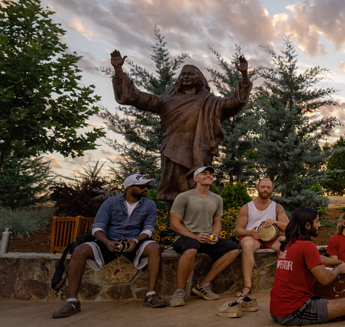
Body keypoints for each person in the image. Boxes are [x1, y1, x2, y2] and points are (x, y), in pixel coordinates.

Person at [110, 50, 252, 201]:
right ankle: (173, 224)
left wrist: (244, 77)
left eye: (190, 74)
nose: (186, 77)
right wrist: (119, 71)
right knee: (174, 192)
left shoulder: (211, 102)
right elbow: (136, 97)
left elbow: (234, 103)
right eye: (183, 74)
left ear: (200, 79)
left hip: (199, 151)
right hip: (173, 151)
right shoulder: (166, 101)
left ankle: (198, 224)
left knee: (198, 191)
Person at [53, 174, 167, 318]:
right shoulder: (110, 202)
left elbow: (149, 229)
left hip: (134, 242)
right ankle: (72, 301)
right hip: (109, 242)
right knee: (80, 250)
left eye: (147, 186)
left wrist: (135, 241)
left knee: (154, 248)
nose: (146, 189)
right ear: (129, 188)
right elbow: (97, 227)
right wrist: (107, 242)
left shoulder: (149, 204)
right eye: (142, 186)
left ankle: (150, 295)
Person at [270, 207, 345, 325]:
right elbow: (325, 279)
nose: (319, 225)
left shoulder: (288, 243)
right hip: (294, 311)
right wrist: (339, 269)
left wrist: (338, 262)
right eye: (317, 221)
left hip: (276, 310)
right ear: (307, 225)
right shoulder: (308, 246)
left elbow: (316, 258)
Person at [168, 166, 240, 306]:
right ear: (196, 179)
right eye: (204, 173)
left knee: (234, 249)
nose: (208, 176)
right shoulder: (184, 197)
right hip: (186, 238)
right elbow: (175, 224)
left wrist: (214, 235)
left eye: (210, 174)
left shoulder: (217, 199)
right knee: (192, 248)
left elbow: (217, 222)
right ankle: (179, 291)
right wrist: (195, 237)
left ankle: (203, 285)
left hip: (206, 238)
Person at [234, 177, 289, 298]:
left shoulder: (277, 207)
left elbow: (288, 227)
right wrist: (249, 232)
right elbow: (238, 230)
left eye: (268, 187)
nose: (265, 189)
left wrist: (275, 222)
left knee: (289, 244)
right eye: (263, 187)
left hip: (272, 238)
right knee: (247, 245)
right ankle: (247, 286)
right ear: (257, 188)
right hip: (253, 237)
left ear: (272, 189)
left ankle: (288, 283)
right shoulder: (247, 207)